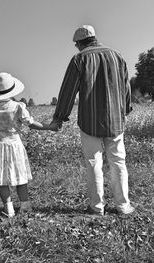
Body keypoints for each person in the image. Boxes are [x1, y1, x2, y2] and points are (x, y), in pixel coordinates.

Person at [49, 25, 135, 216]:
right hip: (115, 119)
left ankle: (97, 207)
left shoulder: (79, 59)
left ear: (79, 43)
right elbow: (126, 86)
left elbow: (68, 91)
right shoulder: (116, 55)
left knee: (93, 162)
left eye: (76, 45)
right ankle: (123, 205)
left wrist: (59, 117)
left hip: (90, 120)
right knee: (118, 161)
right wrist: (125, 108)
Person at [0, 72, 50, 217]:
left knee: (1, 180)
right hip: (14, 146)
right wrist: (49, 126)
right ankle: (25, 206)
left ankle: (8, 208)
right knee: (20, 177)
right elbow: (31, 123)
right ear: (12, 89)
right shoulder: (18, 107)